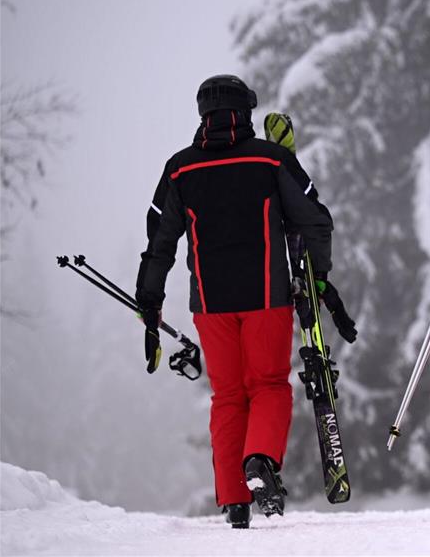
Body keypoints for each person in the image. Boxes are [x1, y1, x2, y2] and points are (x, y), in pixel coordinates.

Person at [135, 75, 353, 528]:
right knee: (269, 386)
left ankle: (235, 502)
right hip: (267, 298)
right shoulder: (271, 159)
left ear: (203, 115)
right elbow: (315, 220)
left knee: (228, 396)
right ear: (246, 111)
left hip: (210, 305)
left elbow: (159, 242)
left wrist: (150, 301)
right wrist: (317, 276)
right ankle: (260, 463)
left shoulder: (180, 169)